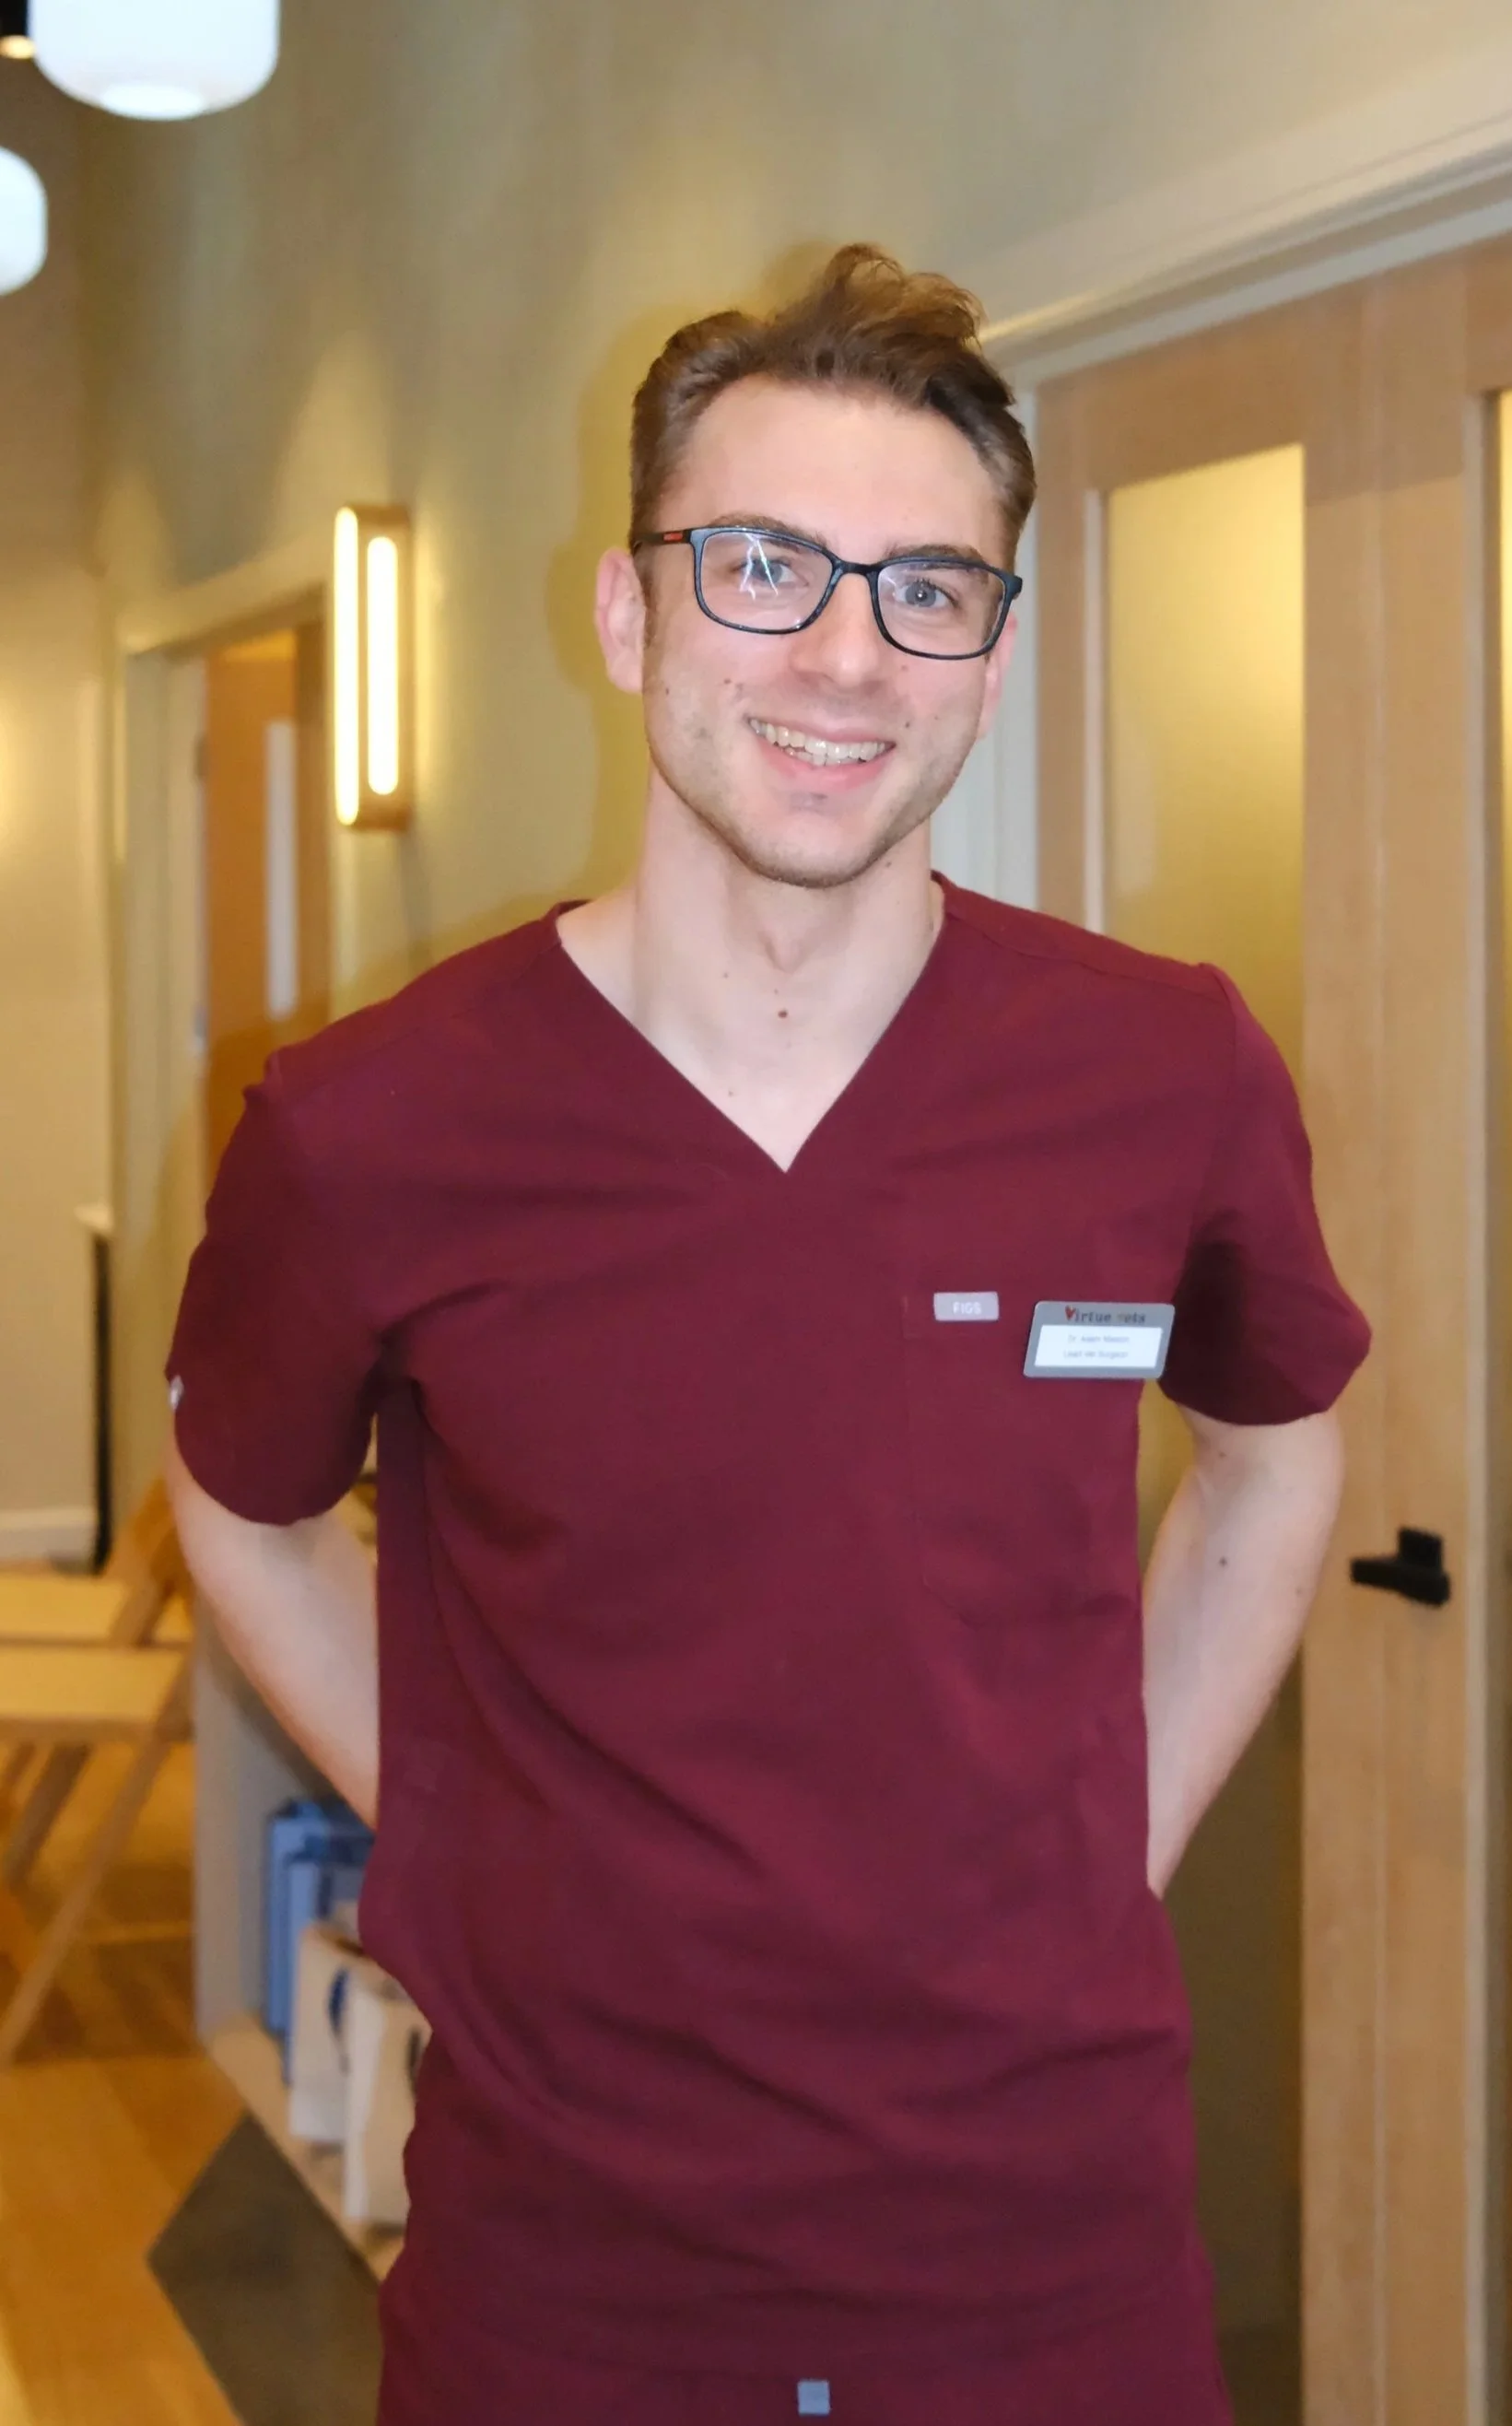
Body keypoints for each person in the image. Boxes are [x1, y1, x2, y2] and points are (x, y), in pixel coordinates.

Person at [167, 245, 1370, 2426]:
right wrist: (462, 1829)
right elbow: (239, 1504)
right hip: (569, 2273)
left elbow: (1277, 1452)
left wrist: (1104, 1838)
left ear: (993, 656)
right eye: (761, 566)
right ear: (627, 613)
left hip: (1048, 2263)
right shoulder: (370, 1125)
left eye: (928, 588)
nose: (844, 652)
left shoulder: (1161, 1067)